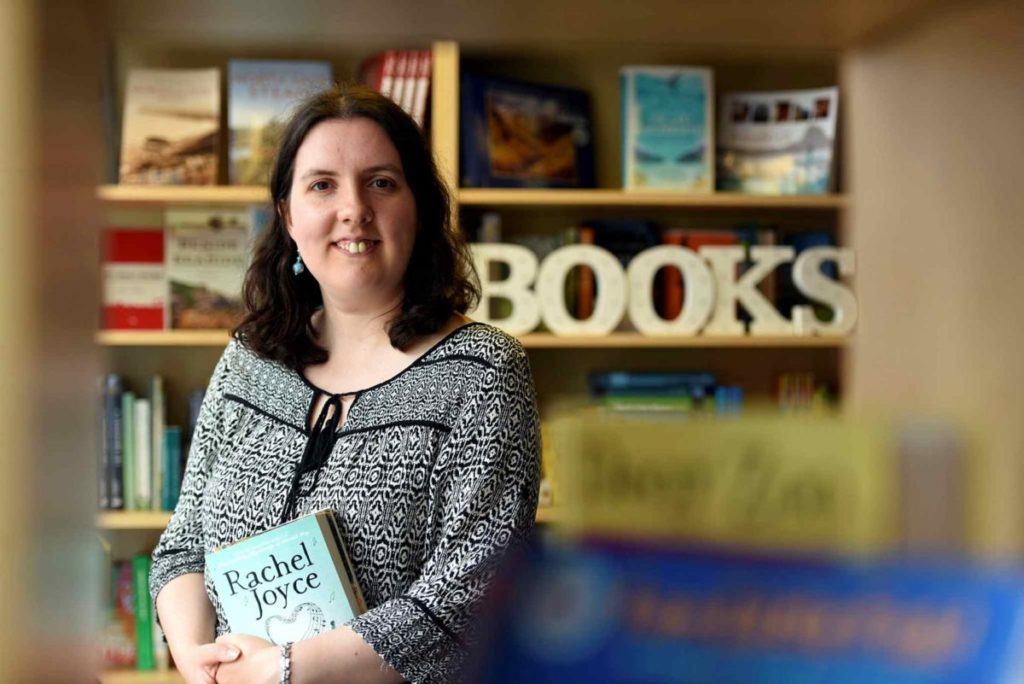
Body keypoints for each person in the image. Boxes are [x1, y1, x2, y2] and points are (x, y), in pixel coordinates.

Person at [149, 84, 541, 684]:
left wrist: (285, 670)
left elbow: (470, 597)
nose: (353, 208)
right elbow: (184, 547)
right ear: (287, 214)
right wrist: (197, 659)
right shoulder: (248, 361)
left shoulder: (484, 372)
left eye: (381, 182)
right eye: (322, 185)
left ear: (420, 207)